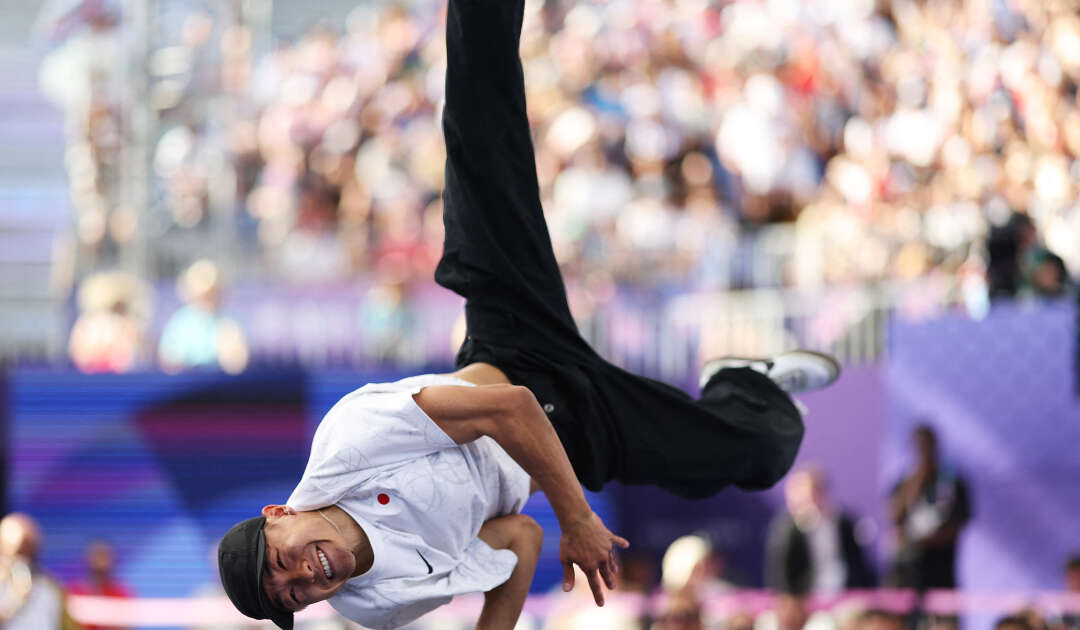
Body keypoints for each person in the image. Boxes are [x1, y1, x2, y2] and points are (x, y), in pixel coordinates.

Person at [216, 2, 840, 629]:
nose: (302, 577)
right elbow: (519, 541)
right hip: (576, 433)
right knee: (756, 452)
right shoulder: (376, 603)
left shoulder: (348, 442)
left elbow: (510, 406)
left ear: (280, 515)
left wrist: (577, 518)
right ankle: (745, 378)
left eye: (282, 562)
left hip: (514, 345)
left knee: (481, 137)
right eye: (292, 596)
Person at [0, 513, 80, 630]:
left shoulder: (51, 587)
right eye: (18, 550)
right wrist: (13, 601)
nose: (23, 558)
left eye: (29, 549)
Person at [765, 467, 875, 595]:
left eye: (812, 496)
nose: (807, 504)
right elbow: (781, 572)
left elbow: (858, 565)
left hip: (845, 596)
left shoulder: (844, 523)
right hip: (806, 598)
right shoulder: (788, 530)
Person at [888, 425, 971, 590]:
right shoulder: (905, 482)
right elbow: (894, 515)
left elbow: (957, 525)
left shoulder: (951, 483)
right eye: (919, 447)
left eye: (927, 446)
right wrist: (918, 478)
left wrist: (920, 539)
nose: (923, 452)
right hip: (909, 572)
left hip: (941, 570)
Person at [68, 541, 132, 630]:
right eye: (97, 555)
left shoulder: (121, 593)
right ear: (87, 559)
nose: (100, 560)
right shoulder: (75, 593)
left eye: (104, 555)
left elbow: (126, 624)